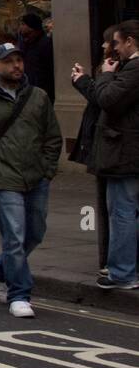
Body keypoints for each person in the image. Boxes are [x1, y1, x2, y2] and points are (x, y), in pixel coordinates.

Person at [0, 43, 62, 317]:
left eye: (19, 60)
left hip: (36, 177)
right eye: (9, 61)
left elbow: (52, 136)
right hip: (2, 177)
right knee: (14, 237)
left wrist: (48, 168)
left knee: (35, 233)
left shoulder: (38, 96)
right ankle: (19, 294)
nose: (16, 65)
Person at [72, 21, 139, 290]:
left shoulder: (134, 68)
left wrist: (103, 76)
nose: (114, 48)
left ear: (131, 42)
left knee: (122, 212)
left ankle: (122, 273)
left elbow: (109, 100)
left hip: (125, 154)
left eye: (118, 43)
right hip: (125, 153)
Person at [71, 26, 119, 276]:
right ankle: (111, 259)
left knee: (116, 208)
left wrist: (83, 82)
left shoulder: (119, 70)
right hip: (107, 146)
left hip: (113, 149)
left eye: (107, 42)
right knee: (111, 207)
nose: (102, 47)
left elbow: (105, 99)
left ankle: (114, 261)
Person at [17, 13, 55, 102]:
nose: (20, 27)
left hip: (42, 91)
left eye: (23, 24)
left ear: (32, 27)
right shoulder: (24, 43)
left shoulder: (45, 44)